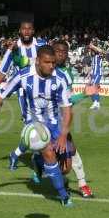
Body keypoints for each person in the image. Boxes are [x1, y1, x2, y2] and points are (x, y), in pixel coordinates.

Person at [0, 46, 73, 207]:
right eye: (47, 62)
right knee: (49, 154)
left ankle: (37, 161)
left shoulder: (60, 78)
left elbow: (67, 110)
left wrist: (62, 135)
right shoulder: (23, 76)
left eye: (53, 63)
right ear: (38, 61)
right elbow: (0, 98)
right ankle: (64, 196)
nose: (51, 66)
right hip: (35, 124)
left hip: (55, 123)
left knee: (66, 169)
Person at [31, 40, 94, 198]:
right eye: (58, 51)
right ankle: (82, 185)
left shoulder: (66, 74)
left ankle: (40, 162)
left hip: (60, 120)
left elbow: (68, 100)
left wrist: (83, 95)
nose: (61, 54)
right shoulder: (37, 71)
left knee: (68, 156)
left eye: (64, 52)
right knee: (71, 151)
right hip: (43, 120)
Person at [0, 21, 42, 171]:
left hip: (42, 90)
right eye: (23, 29)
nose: (26, 31)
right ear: (20, 31)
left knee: (44, 127)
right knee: (32, 127)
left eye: (29, 29)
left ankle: (16, 155)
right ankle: (37, 163)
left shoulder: (41, 46)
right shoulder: (12, 50)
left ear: (33, 31)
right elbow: (2, 74)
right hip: (24, 92)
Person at [87, 43, 103, 110]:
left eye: (91, 50)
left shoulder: (99, 55)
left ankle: (95, 103)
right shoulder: (93, 58)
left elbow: (101, 51)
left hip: (97, 73)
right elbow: (92, 66)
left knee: (93, 87)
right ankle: (97, 103)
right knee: (92, 88)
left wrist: (93, 46)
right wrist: (89, 74)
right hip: (93, 74)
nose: (90, 51)